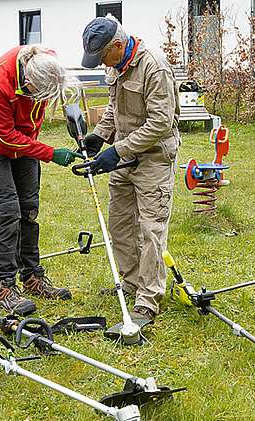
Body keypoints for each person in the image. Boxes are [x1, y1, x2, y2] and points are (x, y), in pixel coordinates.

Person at [79, 15, 180, 325]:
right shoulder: (116, 67)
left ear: (118, 45)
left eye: (102, 56)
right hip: (124, 155)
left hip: (154, 158)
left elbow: (161, 123)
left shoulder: (154, 67)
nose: (101, 63)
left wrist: (118, 150)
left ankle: (148, 299)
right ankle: (131, 282)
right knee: (120, 225)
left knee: (151, 230)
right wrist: (100, 135)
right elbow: (114, 108)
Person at [0, 45, 83, 315]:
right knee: (8, 212)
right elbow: (6, 136)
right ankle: (3, 286)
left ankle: (32, 277)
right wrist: (50, 153)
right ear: (28, 81)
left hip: (26, 142)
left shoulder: (47, 62)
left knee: (29, 209)